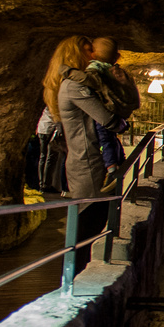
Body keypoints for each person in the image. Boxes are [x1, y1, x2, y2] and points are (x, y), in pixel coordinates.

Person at [42, 35, 125, 271]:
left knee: (89, 227)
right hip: (88, 166)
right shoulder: (75, 87)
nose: (94, 55)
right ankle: (72, 281)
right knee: (87, 228)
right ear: (76, 54)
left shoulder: (75, 84)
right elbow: (108, 120)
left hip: (86, 162)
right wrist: (122, 124)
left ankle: (74, 277)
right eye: (89, 51)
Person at [85, 38, 141, 182]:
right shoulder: (118, 72)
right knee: (111, 139)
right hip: (117, 114)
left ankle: (111, 166)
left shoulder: (93, 70)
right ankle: (119, 161)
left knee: (104, 138)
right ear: (117, 57)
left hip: (103, 112)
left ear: (92, 54)